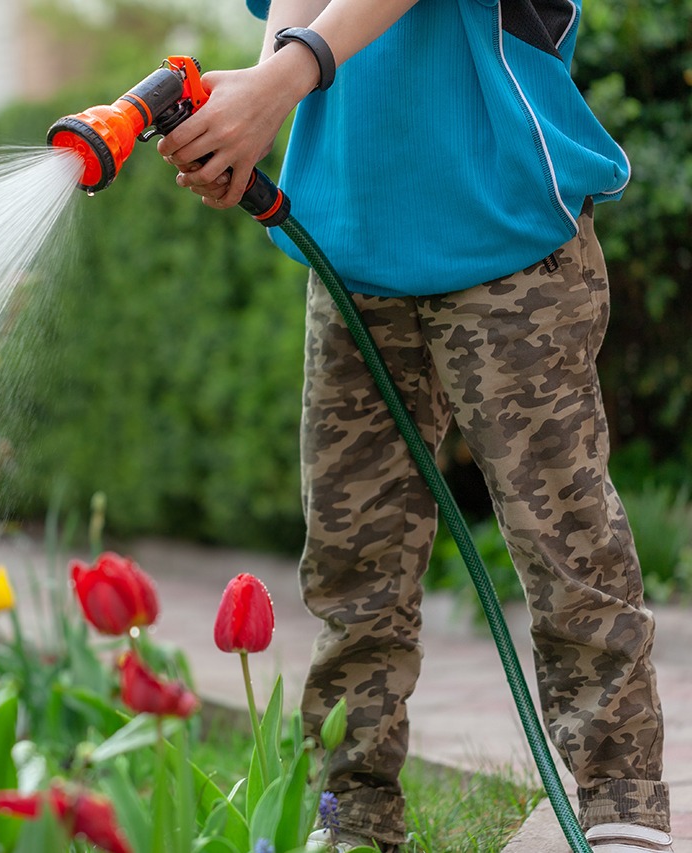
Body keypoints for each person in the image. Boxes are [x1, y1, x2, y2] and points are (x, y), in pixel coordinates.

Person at [155, 1, 671, 852]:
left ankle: (622, 802)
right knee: (353, 556)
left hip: (505, 220)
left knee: (562, 534)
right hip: (353, 235)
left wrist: (281, 79)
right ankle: (352, 814)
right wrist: (254, 96)